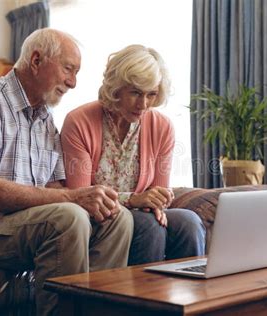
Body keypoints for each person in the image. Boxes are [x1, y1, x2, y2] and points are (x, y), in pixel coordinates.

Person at [0, 28, 133, 316]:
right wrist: (72, 199)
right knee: (67, 217)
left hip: (14, 223)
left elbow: (57, 190)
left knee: (116, 217)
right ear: (36, 60)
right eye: (68, 69)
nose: (72, 82)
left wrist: (88, 197)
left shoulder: (45, 120)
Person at [61, 44, 206, 265]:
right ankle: (142, 299)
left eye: (152, 94)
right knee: (149, 226)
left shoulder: (162, 126)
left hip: (141, 213)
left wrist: (158, 200)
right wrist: (135, 200)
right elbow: (80, 196)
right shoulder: (79, 121)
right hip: (98, 218)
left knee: (190, 222)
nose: (143, 104)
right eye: (136, 93)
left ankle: (192, 298)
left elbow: (158, 192)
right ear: (116, 89)